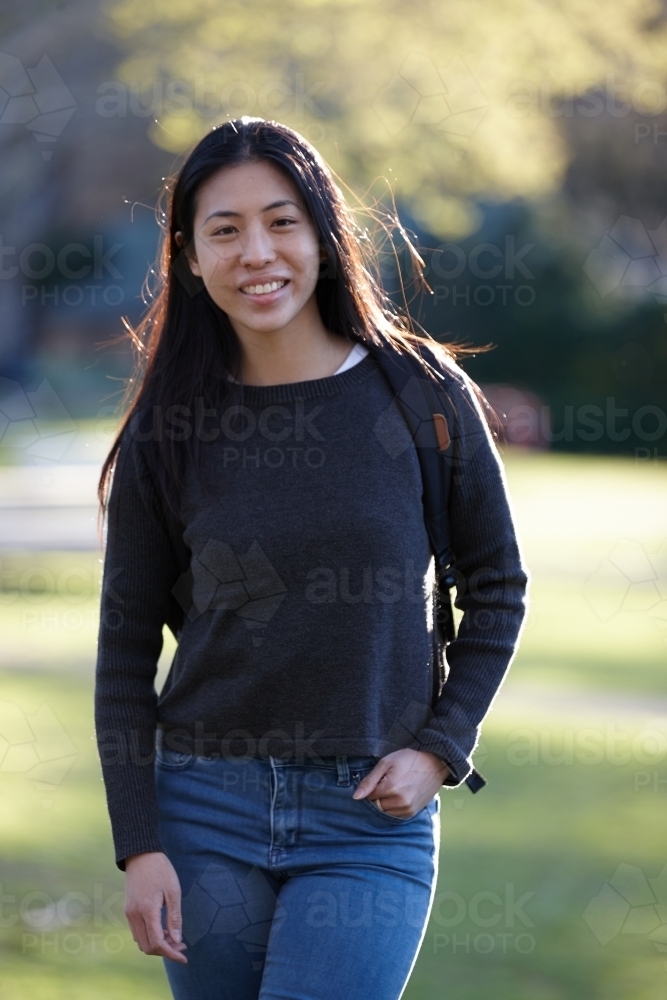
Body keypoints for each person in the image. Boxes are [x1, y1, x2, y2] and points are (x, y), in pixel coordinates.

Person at [95, 116, 529, 1000]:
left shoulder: (419, 394)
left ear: (325, 237)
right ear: (188, 256)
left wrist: (440, 748)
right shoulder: (168, 427)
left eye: (282, 220)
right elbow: (126, 648)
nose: (258, 252)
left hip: (367, 818)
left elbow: (497, 589)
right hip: (202, 811)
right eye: (225, 229)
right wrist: (141, 845)